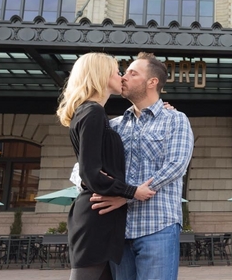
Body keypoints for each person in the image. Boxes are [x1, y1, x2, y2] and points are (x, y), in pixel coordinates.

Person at [87, 52, 194, 280]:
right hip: (119, 229)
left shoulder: (175, 119)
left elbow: (175, 166)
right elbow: (85, 166)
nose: (124, 77)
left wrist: (127, 196)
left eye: (132, 73)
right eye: (123, 72)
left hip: (158, 226)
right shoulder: (112, 125)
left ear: (152, 82)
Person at [57, 52, 157, 280]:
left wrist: (161, 109)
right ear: (101, 76)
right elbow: (90, 174)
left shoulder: (94, 114)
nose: (121, 76)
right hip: (96, 216)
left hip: (101, 216)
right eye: (117, 71)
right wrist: (133, 191)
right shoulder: (93, 112)